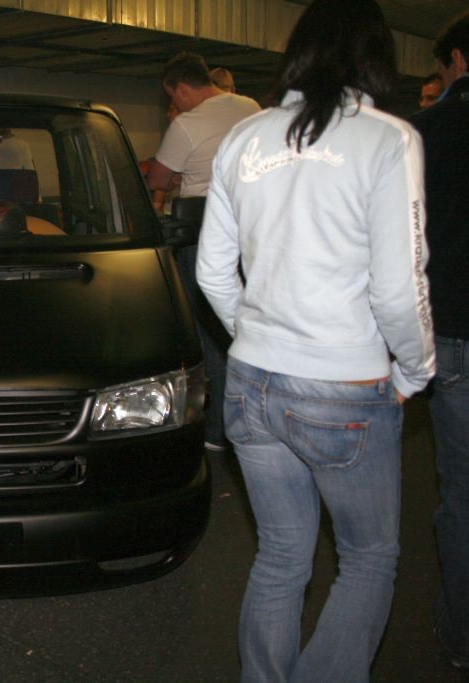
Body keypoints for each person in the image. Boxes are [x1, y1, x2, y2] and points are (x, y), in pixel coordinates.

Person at [196, 0, 435, 680]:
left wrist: (258, 335)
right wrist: (415, 370)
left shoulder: (245, 137)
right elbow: (398, 285)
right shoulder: (387, 138)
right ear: (376, 56)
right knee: (368, 559)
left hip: (251, 383)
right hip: (343, 386)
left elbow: (212, 271)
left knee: (280, 554)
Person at [147, 51, 260, 453]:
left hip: (204, 231)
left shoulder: (188, 124)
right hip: (252, 230)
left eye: (172, 97)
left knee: (210, 333)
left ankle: (217, 431)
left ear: (180, 89)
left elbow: (158, 178)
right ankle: (253, 416)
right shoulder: (250, 107)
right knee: (247, 325)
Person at [411, 10, 469, 671]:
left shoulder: (424, 134)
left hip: (454, 325)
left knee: (463, 489)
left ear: (456, 60)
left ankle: (461, 634)